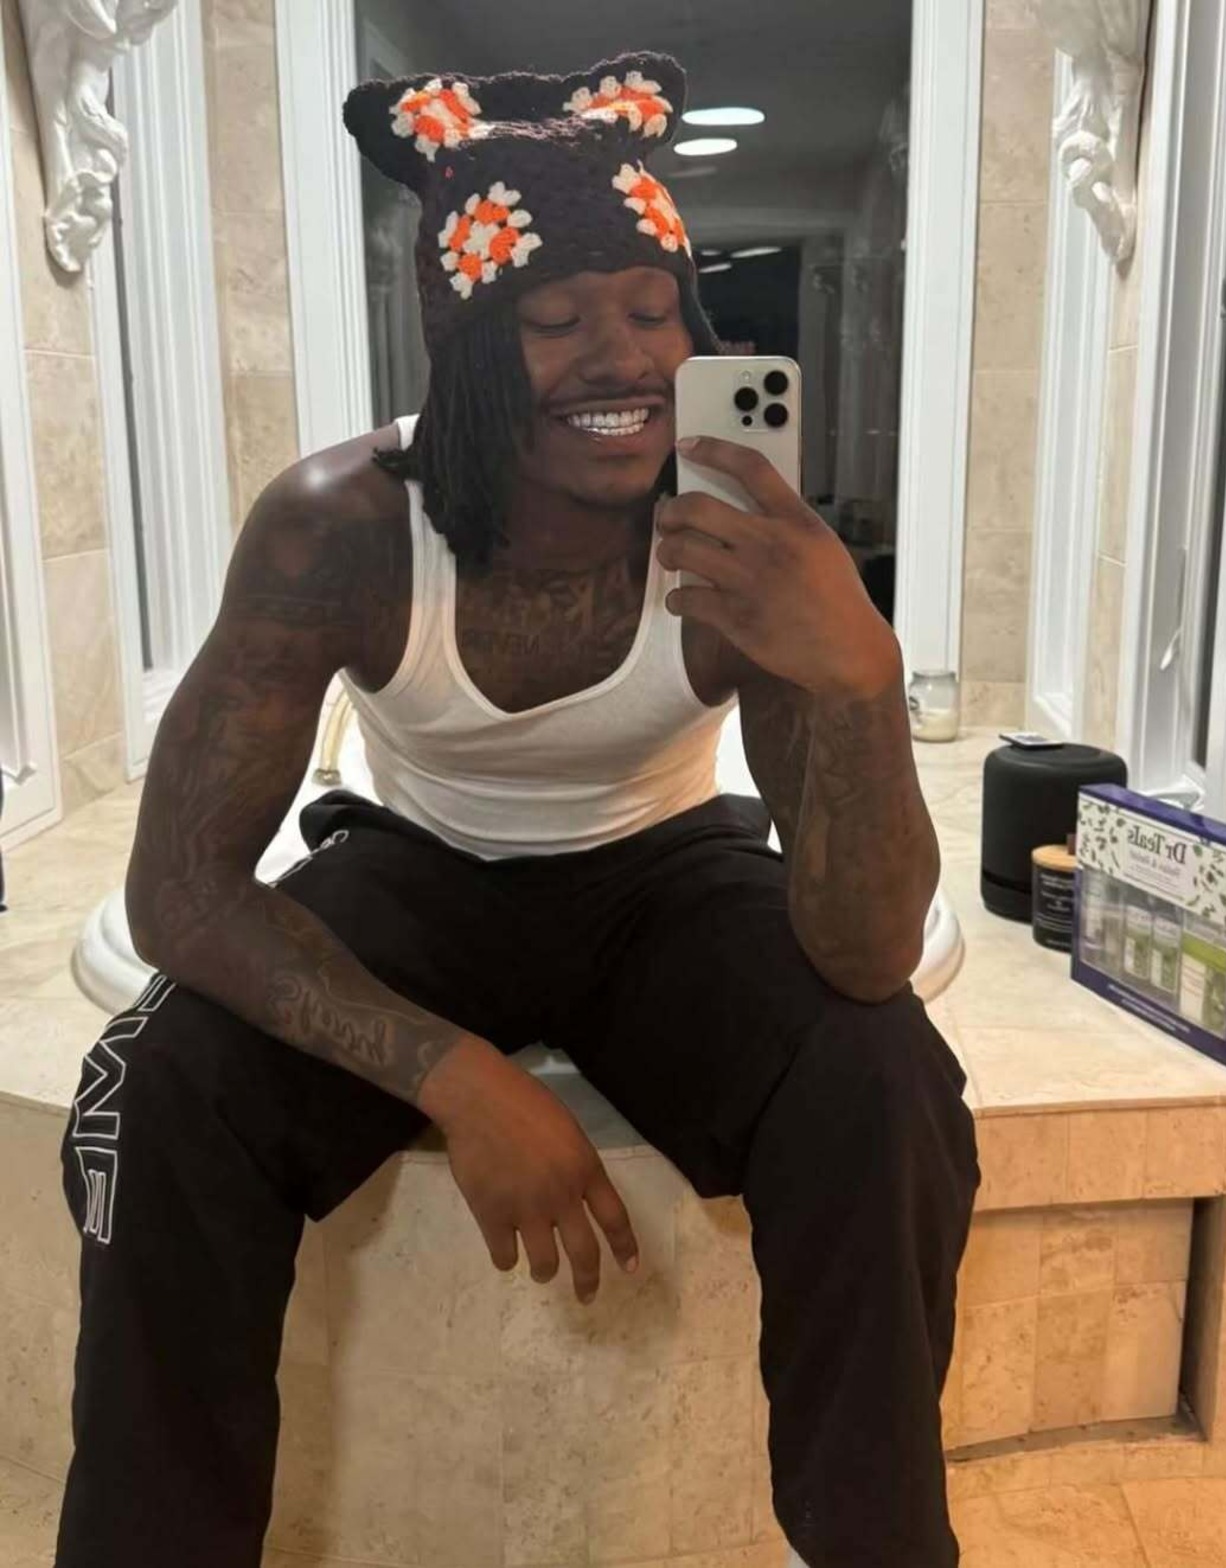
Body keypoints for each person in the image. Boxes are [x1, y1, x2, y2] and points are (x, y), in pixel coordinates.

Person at [53, 52, 979, 1568]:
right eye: (553, 321)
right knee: (158, 1083)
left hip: (666, 876)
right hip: (416, 871)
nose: (621, 359)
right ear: (471, 350)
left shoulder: (736, 539)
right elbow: (181, 890)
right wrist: (456, 1076)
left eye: (654, 311)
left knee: (886, 1076)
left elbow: (868, 955)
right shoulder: (344, 527)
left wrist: (862, 677)